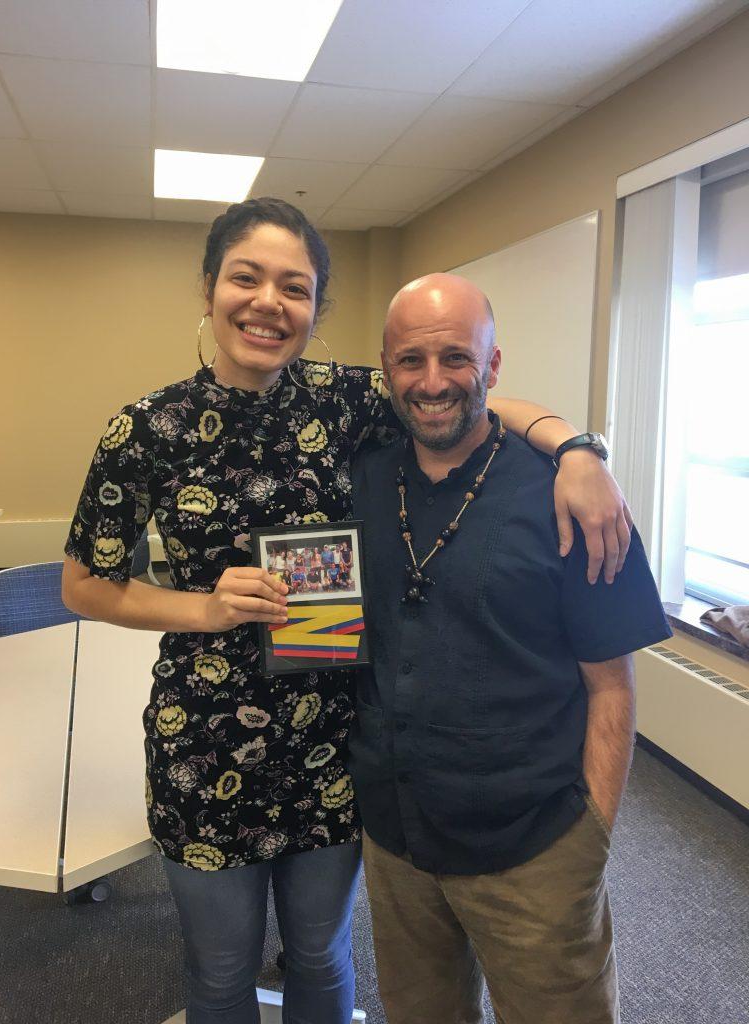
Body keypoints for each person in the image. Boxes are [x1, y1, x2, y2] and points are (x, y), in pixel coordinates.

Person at [61, 196, 633, 1024]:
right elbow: (83, 584)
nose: (268, 303)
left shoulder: (342, 399)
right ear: (210, 288)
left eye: (294, 287)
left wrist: (578, 449)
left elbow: (464, 396)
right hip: (205, 745)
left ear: (315, 310)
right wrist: (204, 608)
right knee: (220, 971)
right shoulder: (147, 429)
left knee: (323, 958)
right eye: (246, 278)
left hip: (334, 745)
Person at [349, 273, 673, 1024]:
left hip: (535, 847)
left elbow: (612, 686)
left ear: (493, 368)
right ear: (385, 369)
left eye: (456, 358)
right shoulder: (363, 474)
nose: (432, 383)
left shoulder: (577, 500)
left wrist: (590, 837)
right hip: (398, 841)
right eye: (410, 362)